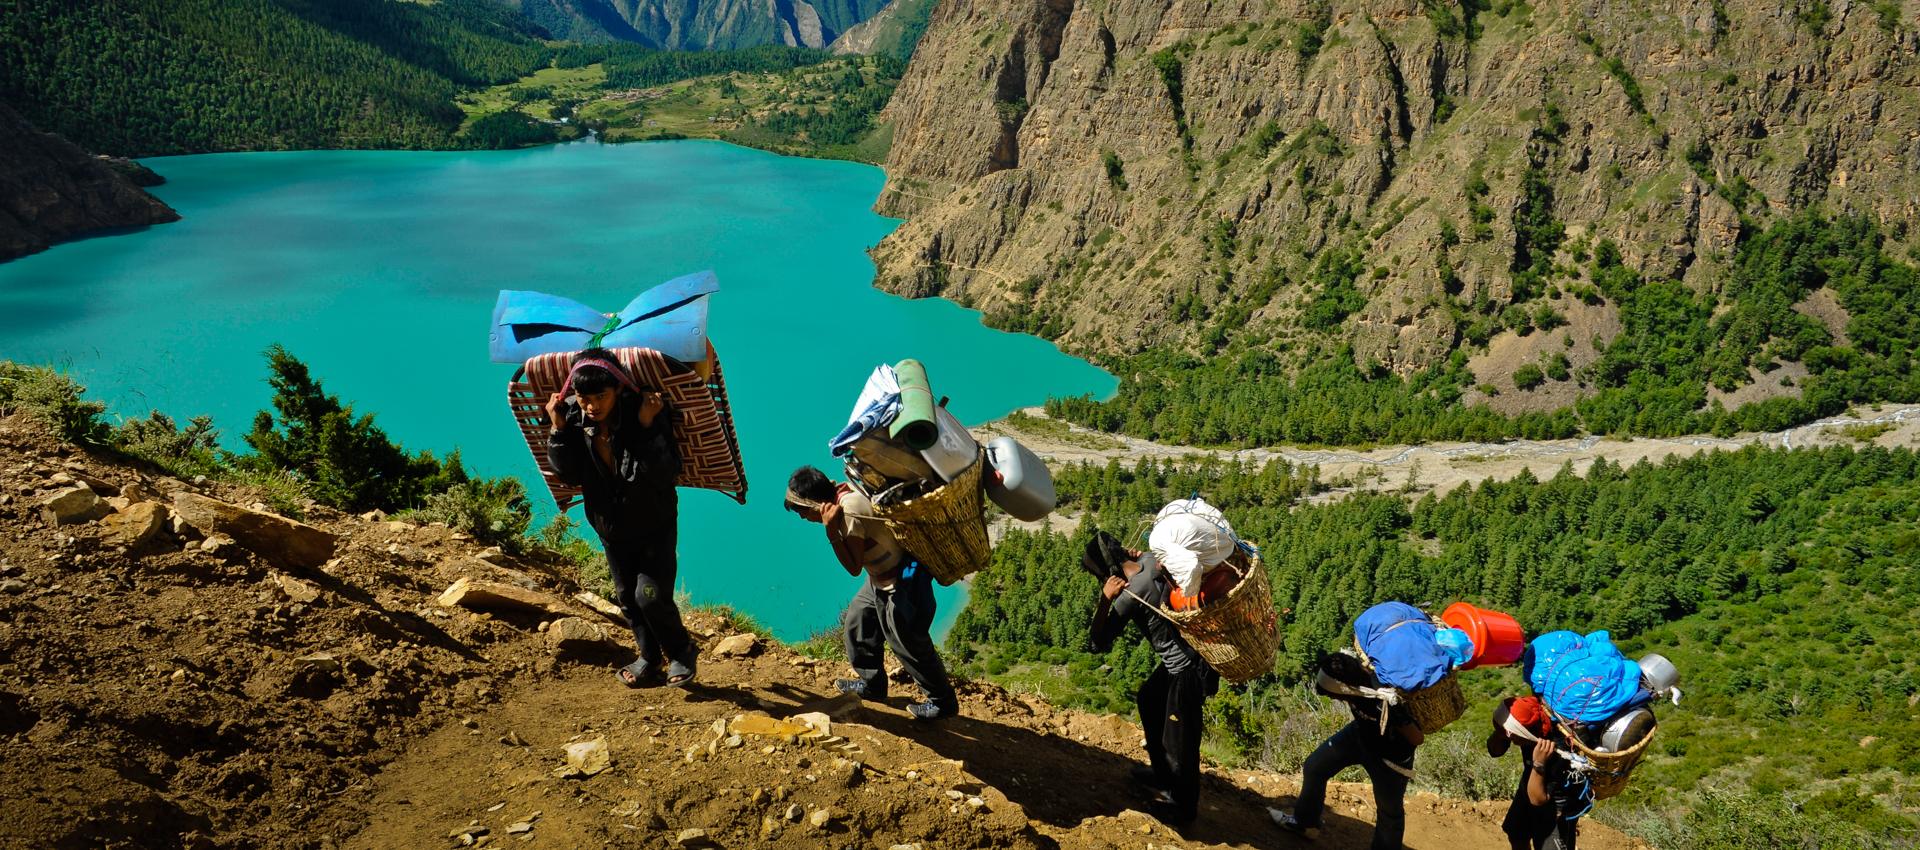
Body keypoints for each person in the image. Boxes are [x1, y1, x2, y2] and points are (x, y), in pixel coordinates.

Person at [545, 347, 696, 688]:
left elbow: (665, 471)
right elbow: (568, 474)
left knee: (650, 595)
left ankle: (682, 651)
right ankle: (649, 658)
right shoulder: (571, 418)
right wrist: (558, 429)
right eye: (584, 397)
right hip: (610, 528)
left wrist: (645, 427)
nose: (592, 405)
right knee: (628, 597)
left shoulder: (645, 412)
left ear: (618, 390)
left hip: (654, 524)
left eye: (601, 396)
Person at [784, 465, 959, 721]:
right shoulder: (842, 491)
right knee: (858, 622)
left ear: (817, 504)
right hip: (879, 576)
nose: (801, 517)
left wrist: (831, 531)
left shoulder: (849, 511)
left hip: (900, 583)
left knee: (908, 643)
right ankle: (873, 685)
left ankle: (943, 702)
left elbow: (853, 567)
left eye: (802, 511)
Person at [1082, 530, 1219, 827]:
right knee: (1148, 699)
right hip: (1193, 657)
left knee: (1181, 739)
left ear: (1109, 572)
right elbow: (1140, 556)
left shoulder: (1132, 591)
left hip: (1187, 669)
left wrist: (1105, 600)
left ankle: (1183, 809)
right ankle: (1161, 774)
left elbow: (1098, 642)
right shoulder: (1150, 560)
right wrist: (1130, 555)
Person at [1272, 651, 1425, 847]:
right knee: (1315, 767)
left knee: (1389, 813)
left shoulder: (1383, 697)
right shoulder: (1355, 684)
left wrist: (1398, 714)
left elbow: (1417, 738)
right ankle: (1305, 823)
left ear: (1343, 689)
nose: (1336, 700)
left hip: (1390, 758)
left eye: (1335, 696)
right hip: (1359, 735)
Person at [1487, 696, 1591, 850]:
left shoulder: (1558, 747)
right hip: (1529, 785)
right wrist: (1502, 731)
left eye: (1513, 735)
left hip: (1554, 805)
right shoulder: (1529, 727)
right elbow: (1494, 751)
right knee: (1516, 834)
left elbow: (1538, 800)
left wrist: (1539, 764)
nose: (1513, 741)